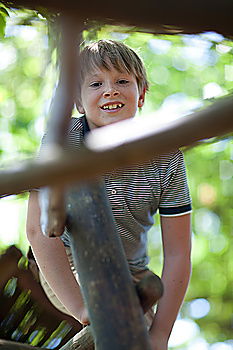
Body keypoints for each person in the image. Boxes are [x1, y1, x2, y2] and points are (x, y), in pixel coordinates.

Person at [26, 39, 192, 350]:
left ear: (141, 94)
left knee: (140, 337)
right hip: (65, 263)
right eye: (96, 83)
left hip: (129, 272)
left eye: (122, 81)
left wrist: (161, 335)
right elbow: (38, 231)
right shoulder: (62, 142)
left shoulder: (167, 156)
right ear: (78, 101)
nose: (110, 90)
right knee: (125, 327)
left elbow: (178, 254)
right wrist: (81, 307)